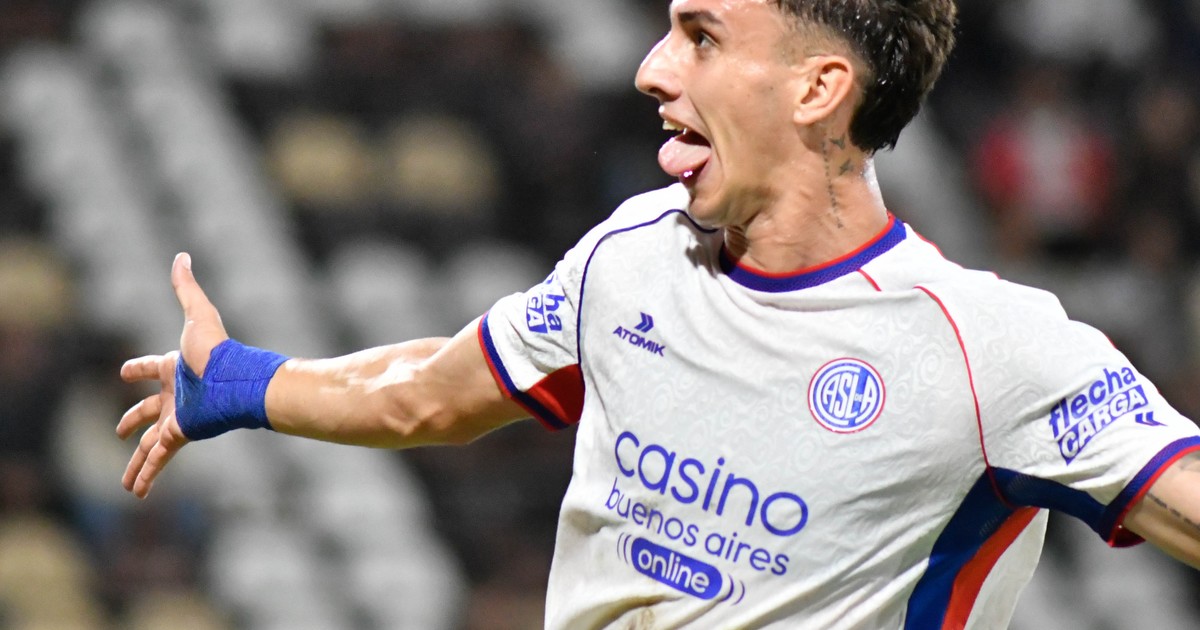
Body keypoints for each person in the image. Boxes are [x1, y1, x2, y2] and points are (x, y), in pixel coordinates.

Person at [117, 0, 1200, 628]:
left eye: (701, 37)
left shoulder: (986, 349)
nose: (649, 69)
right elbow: (433, 395)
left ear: (817, 89)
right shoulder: (633, 253)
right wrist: (244, 384)